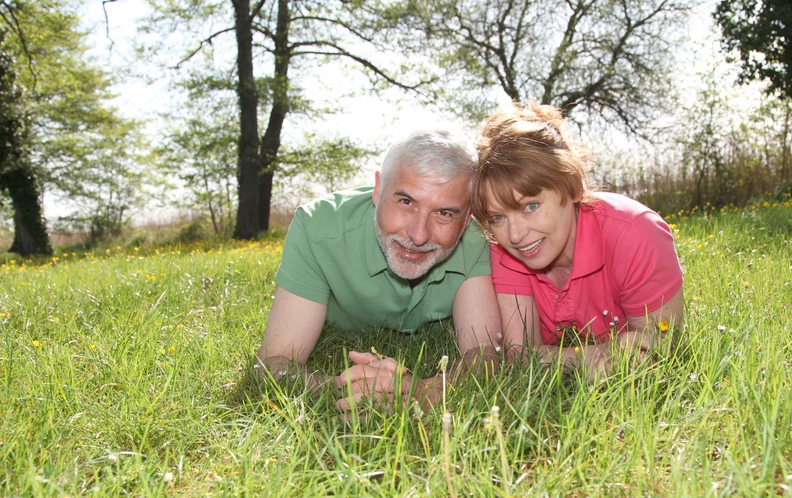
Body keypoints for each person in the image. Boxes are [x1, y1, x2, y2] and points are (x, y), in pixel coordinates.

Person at [255, 130, 502, 411]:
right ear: (377, 189)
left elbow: (485, 354)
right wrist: (348, 390)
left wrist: (422, 390)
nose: (419, 235)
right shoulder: (316, 228)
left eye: (445, 213)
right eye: (406, 202)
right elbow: (273, 362)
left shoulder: (478, 238)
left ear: (467, 217)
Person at [471, 103, 684, 381]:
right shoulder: (505, 250)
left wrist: (556, 359)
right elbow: (520, 356)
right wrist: (593, 356)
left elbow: (661, 352)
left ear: (572, 186)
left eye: (530, 206)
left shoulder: (636, 234)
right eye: (498, 217)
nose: (515, 235)